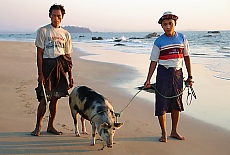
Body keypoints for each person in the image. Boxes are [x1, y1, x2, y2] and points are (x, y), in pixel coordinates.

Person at [144, 11, 193, 142]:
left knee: (176, 103)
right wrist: (148, 79)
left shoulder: (182, 38)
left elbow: (187, 57)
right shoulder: (158, 41)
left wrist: (190, 76)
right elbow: (153, 61)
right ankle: (164, 133)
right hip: (163, 74)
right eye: (165, 24)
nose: (168, 27)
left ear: (175, 24)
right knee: (162, 104)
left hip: (177, 74)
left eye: (170, 24)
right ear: (161, 26)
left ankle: (174, 131)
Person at [31, 4, 74, 136]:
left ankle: (51, 125)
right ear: (50, 15)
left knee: (55, 98)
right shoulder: (43, 31)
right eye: (54, 15)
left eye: (59, 16)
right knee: (44, 97)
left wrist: (70, 76)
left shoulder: (66, 34)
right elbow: (39, 54)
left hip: (60, 67)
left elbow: (67, 57)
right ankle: (38, 127)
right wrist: (40, 74)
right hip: (47, 65)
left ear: (62, 17)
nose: (56, 18)